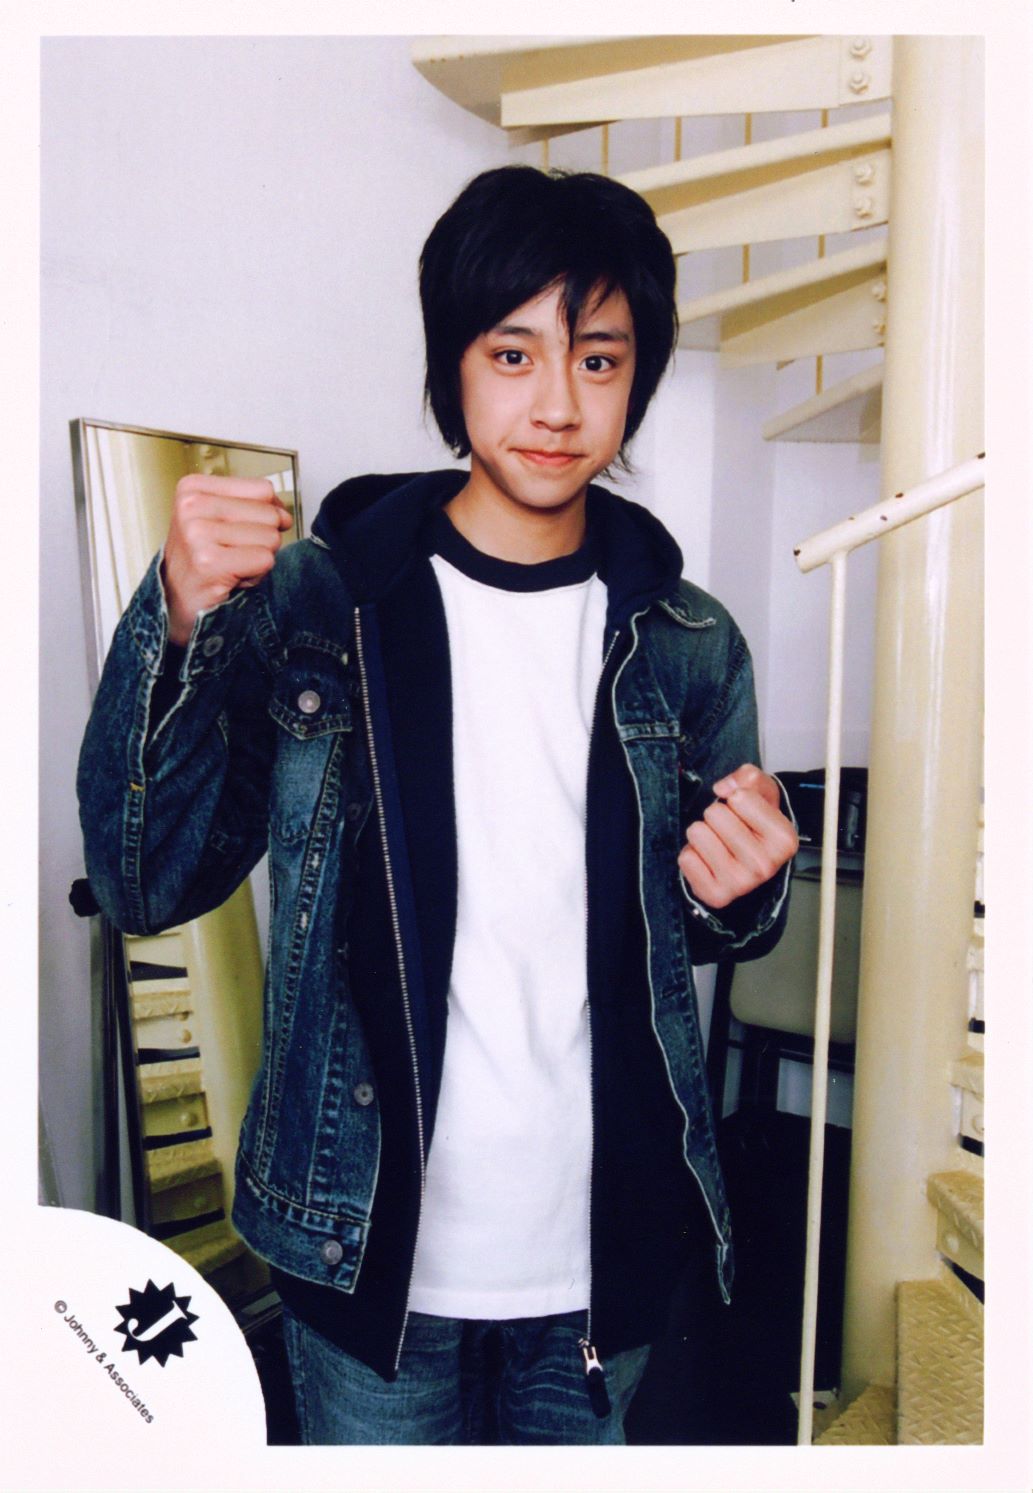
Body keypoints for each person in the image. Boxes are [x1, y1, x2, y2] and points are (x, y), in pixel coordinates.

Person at [78, 165, 798, 1445]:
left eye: (598, 359)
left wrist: (743, 890)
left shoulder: (687, 642)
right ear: (450, 365)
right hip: (364, 1245)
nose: (557, 404)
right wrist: (178, 624)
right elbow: (149, 880)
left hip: (602, 1256)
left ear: (636, 377)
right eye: (512, 354)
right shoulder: (319, 608)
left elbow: (689, 927)